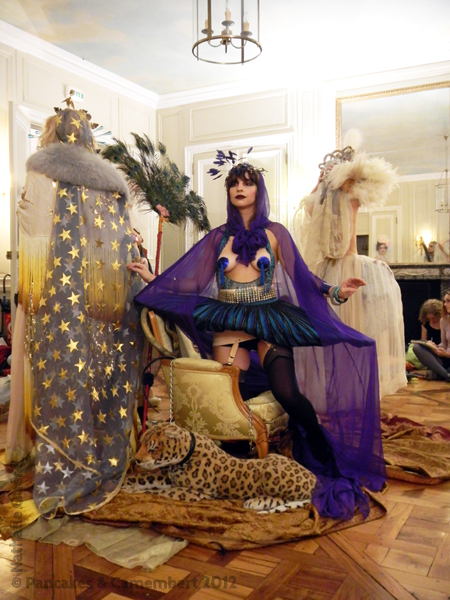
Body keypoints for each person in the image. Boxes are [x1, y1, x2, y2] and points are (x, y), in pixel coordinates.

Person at [134, 160, 386, 521]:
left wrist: (335, 291)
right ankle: (238, 468)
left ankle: (320, 452)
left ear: (258, 190)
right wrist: (152, 278)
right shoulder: (218, 237)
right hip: (229, 321)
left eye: (248, 183)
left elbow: (301, 275)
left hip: (269, 319)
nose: (240, 188)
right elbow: (192, 283)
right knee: (227, 393)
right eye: (234, 183)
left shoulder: (275, 233)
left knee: (287, 392)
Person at [3, 107, 143, 516]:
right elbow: (122, 242)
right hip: (101, 297)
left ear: (51, 134)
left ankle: (60, 455)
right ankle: (97, 449)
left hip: (51, 293)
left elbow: (32, 230)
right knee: (94, 372)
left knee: (56, 373)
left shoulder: (42, 171)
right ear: (88, 137)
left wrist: (31, 289)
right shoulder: (109, 184)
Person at [294, 147, 406, 399]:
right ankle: (335, 392)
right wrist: (321, 182)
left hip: (347, 265)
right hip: (327, 270)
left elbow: (371, 179)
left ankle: (353, 391)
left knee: (349, 330)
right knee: (330, 334)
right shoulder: (322, 203)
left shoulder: (350, 196)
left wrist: (345, 171)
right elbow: (308, 205)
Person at [412, 290, 450, 381]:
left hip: (448, 355)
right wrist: (435, 347)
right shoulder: (444, 320)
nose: (445, 304)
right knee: (416, 347)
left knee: (431, 374)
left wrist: (447, 354)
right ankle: (446, 375)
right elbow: (444, 343)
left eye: (448, 301)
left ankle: (440, 373)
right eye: (444, 301)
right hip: (443, 357)